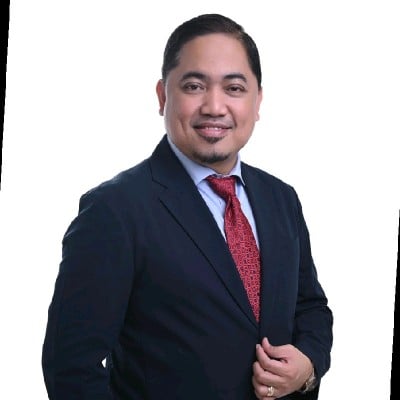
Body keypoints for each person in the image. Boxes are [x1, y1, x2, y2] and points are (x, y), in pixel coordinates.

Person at [42, 13, 333, 400]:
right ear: (163, 96)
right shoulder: (114, 210)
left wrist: (308, 365)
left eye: (234, 88)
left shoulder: (281, 198)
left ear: (257, 101)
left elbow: (310, 307)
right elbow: (72, 368)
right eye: (194, 86)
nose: (214, 106)